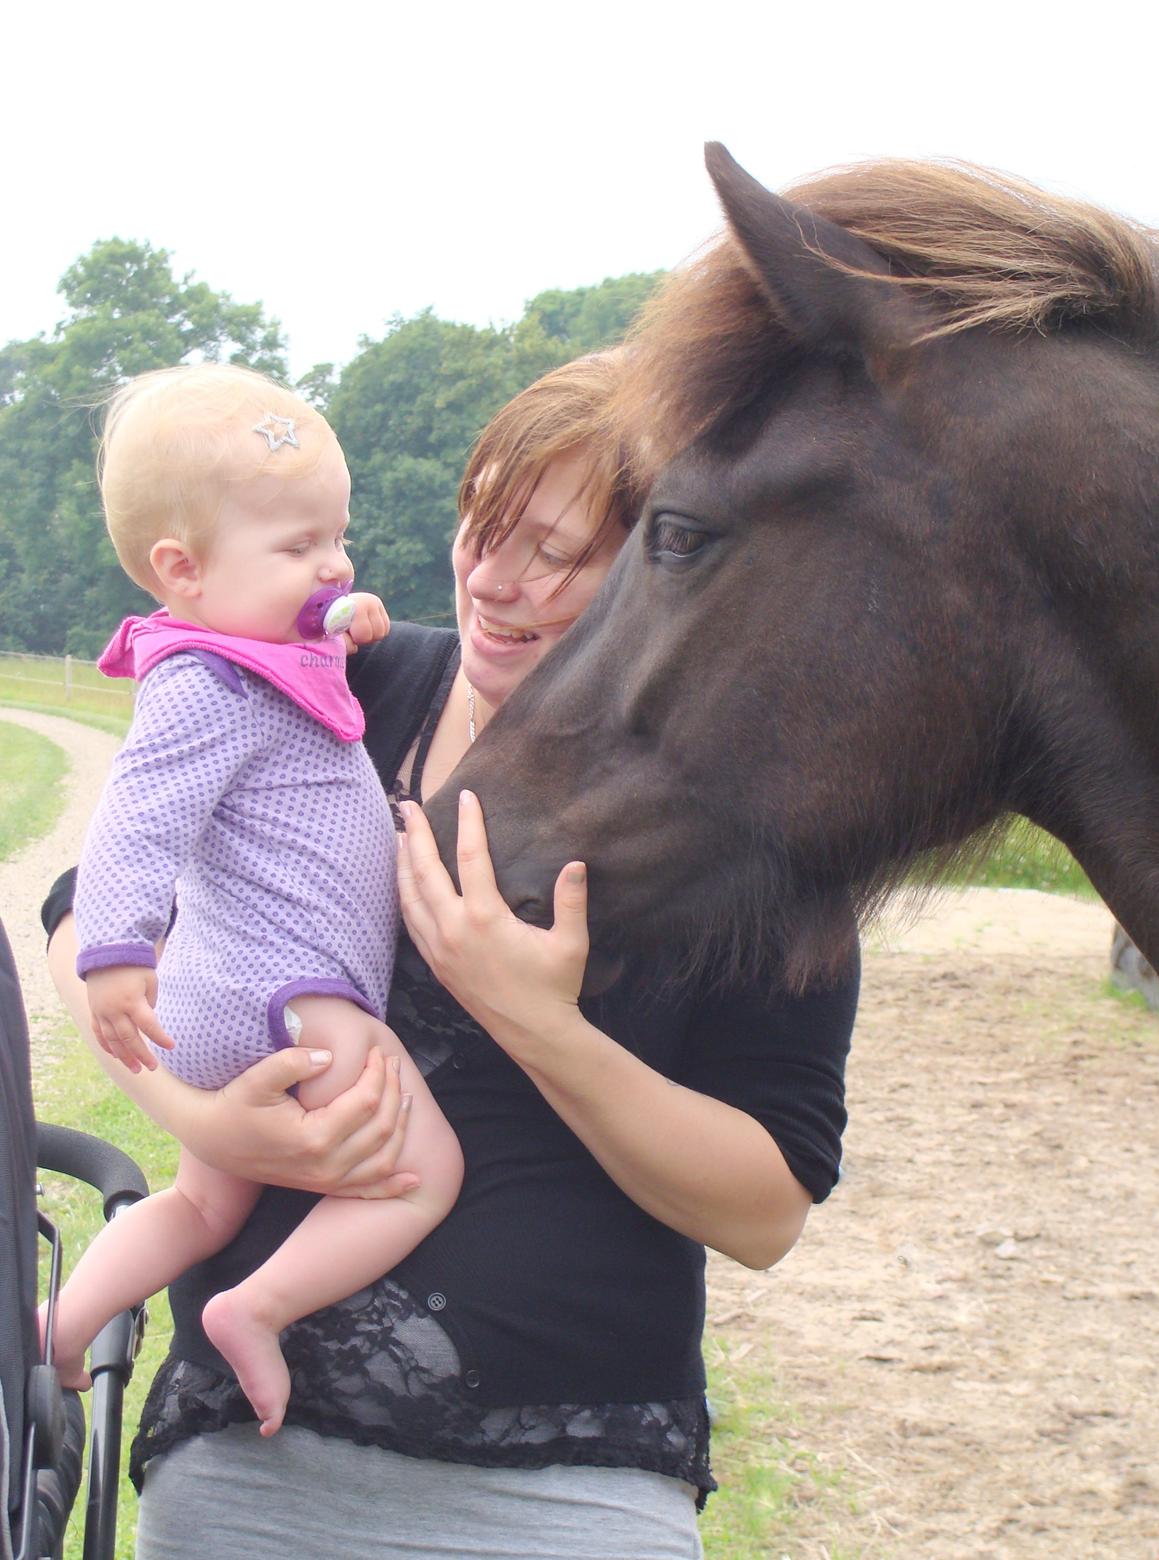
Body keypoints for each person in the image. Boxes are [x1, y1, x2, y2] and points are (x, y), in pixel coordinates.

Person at [43, 353, 856, 1559]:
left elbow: (763, 1209)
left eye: (553, 551)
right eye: (483, 523)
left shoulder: (766, 827)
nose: (491, 576)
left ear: (672, 565)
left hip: (568, 1496)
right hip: (248, 1473)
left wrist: (538, 1021)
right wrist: (201, 1121)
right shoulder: (341, 684)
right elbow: (88, 910)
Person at [45, 364, 462, 1438]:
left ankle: (60, 1326)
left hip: (231, 1001)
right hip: (288, 990)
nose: (328, 565)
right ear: (179, 571)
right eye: (297, 548)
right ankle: (257, 1310)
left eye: (336, 537)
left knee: (199, 1201)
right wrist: (116, 951)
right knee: (422, 1173)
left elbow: (316, 624)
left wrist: (343, 607)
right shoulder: (207, 683)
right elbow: (137, 816)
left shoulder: (265, 644)